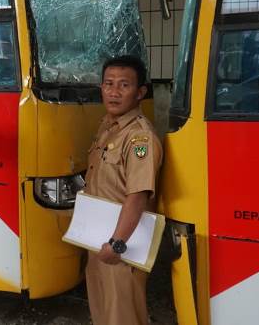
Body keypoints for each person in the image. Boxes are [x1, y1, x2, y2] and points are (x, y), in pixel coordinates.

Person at [83, 55, 163, 325]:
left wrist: (117, 244)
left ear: (140, 93)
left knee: (123, 316)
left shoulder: (140, 137)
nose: (114, 92)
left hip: (122, 247)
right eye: (108, 84)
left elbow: (137, 195)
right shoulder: (107, 127)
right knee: (103, 312)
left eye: (124, 85)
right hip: (99, 241)